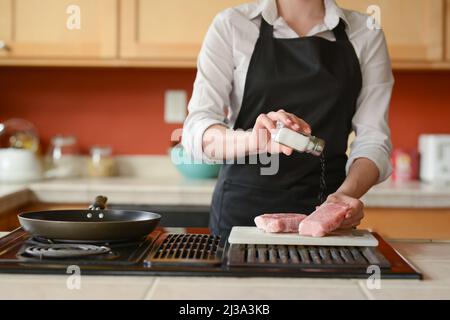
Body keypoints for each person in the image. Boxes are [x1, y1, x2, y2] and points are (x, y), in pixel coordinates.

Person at [182, 0, 394, 236]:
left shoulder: (366, 31)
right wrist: (255, 140)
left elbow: (373, 139)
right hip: (241, 215)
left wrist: (345, 197)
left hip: (326, 212)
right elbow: (196, 134)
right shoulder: (232, 25)